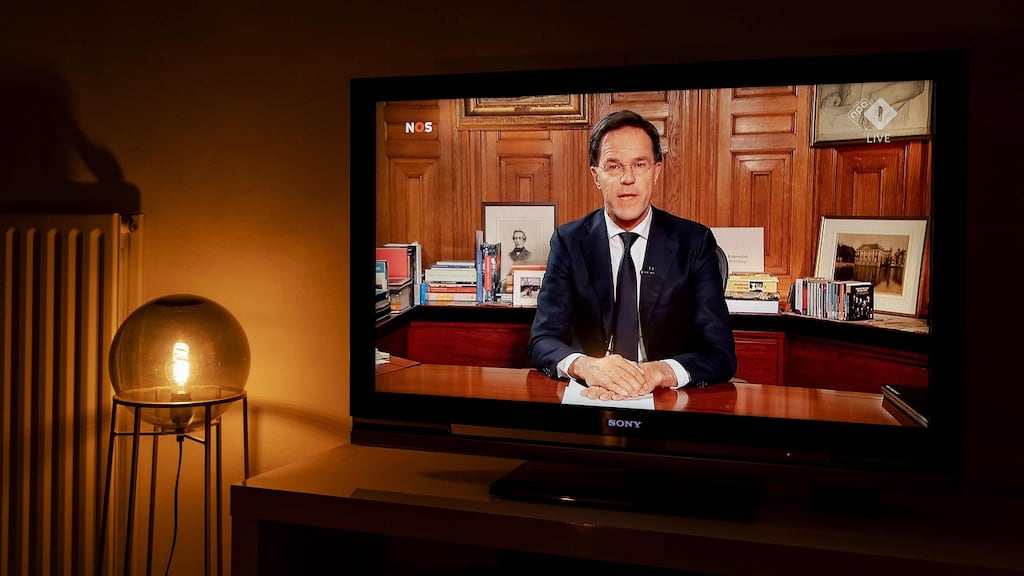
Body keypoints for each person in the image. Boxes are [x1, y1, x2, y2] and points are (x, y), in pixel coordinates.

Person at [527, 110, 736, 401]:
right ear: (596, 175)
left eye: (640, 164)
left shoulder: (694, 242)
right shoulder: (569, 241)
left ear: (656, 171)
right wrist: (588, 367)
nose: (628, 178)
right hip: (592, 395)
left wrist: (658, 372)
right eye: (613, 166)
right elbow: (541, 341)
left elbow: (720, 353)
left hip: (666, 399)